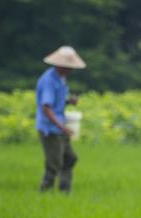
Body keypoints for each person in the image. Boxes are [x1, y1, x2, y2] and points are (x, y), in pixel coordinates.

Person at [36, 46, 86, 193]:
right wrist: (62, 127)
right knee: (54, 164)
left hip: (59, 126)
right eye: (69, 67)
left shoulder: (60, 79)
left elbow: (55, 103)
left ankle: (65, 191)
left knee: (70, 158)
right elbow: (46, 107)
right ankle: (45, 193)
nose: (71, 70)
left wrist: (69, 102)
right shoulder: (49, 81)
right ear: (60, 65)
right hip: (50, 129)